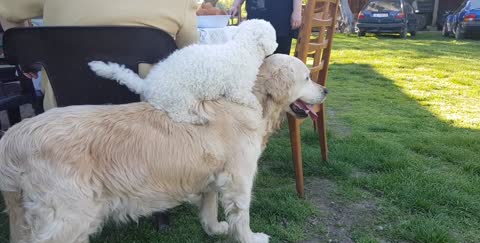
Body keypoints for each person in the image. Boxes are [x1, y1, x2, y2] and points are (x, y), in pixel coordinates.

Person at [0, 0, 199, 110]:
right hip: (148, 126)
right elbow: (190, 58)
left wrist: (25, 54)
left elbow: (5, 8)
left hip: (64, 122)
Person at [229, 0, 302, 55]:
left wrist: (297, 11)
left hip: (281, 18)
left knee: (280, 61)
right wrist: (235, 5)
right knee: (253, 61)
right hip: (255, 22)